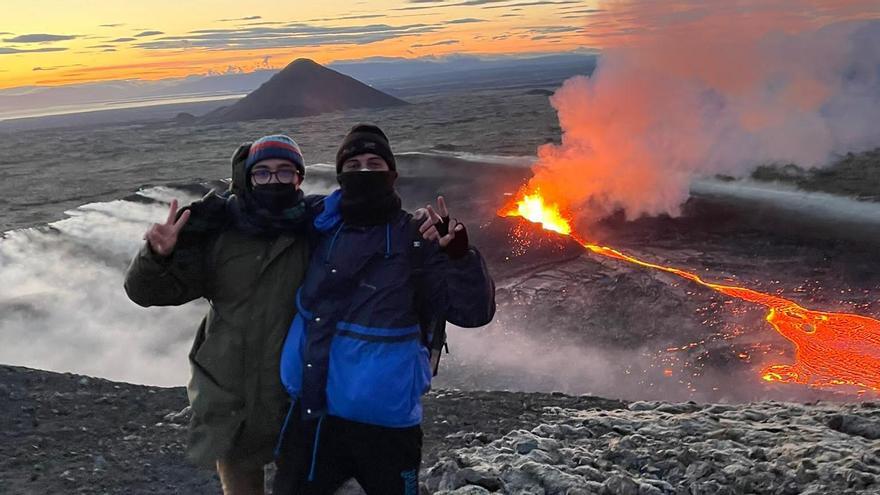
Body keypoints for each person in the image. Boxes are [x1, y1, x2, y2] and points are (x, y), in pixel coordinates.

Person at [272, 124, 496, 495]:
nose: (363, 172)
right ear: (340, 173)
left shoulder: (417, 238)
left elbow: (474, 313)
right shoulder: (317, 224)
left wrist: (459, 258)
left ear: (392, 173)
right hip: (312, 411)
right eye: (354, 164)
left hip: (386, 423)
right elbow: (257, 211)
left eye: (374, 163)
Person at [124, 135, 316, 495]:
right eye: (263, 173)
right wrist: (156, 256)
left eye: (284, 172)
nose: (273, 181)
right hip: (231, 396)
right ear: (248, 178)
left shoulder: (316, 230)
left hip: (296, 395)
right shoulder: (218, 234)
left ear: (299, 178)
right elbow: (147, 293)